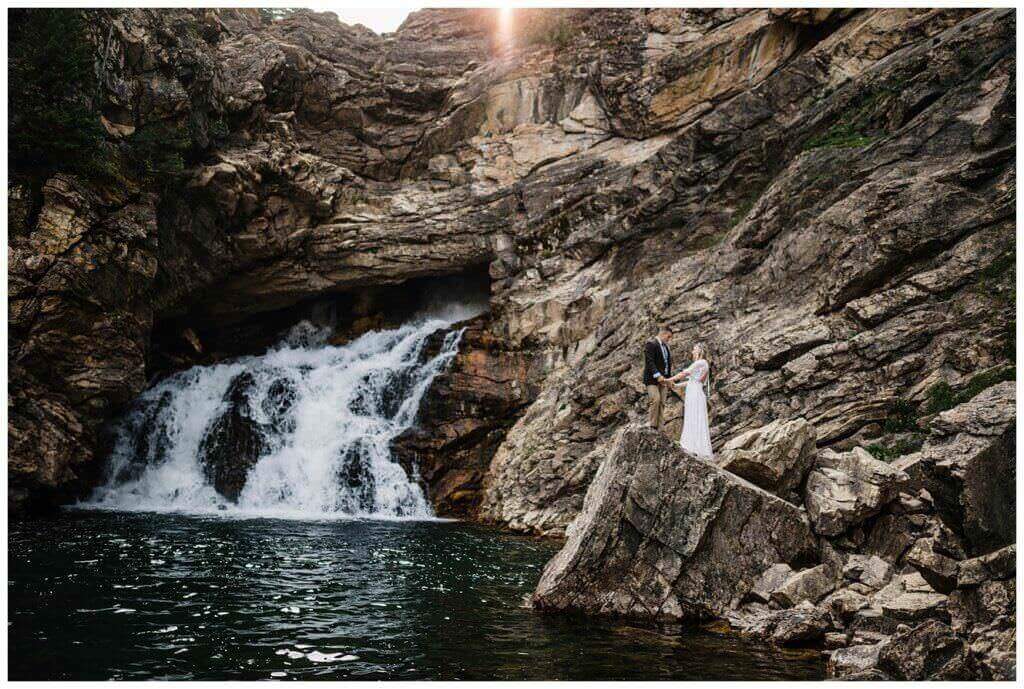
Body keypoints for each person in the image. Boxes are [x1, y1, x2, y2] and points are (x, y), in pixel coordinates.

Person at [669, 342, 713, 458]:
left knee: (694, 416)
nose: (692, 351)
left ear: (699, 351)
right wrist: (676, 386)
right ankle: (692, 445)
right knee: (692, 416)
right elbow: (692, 381)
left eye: (694, 349)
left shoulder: (701, 362)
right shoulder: (702, 364)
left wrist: (669, 379)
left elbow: (685, 373)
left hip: (695, 393)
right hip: (694, 391)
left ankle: (693, 446)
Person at [642, 325, 673, 430]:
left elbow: (667, 364)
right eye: (668, 337)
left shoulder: (666, 347)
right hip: (652, 379)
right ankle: (652, 425)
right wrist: (657, 375)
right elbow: (649, 362)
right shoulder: (651, 343)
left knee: (662, 402)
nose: (669, 339)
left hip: (664, 380)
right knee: (656, 399)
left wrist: (669, 379)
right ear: (663, 334)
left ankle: (660, 428)